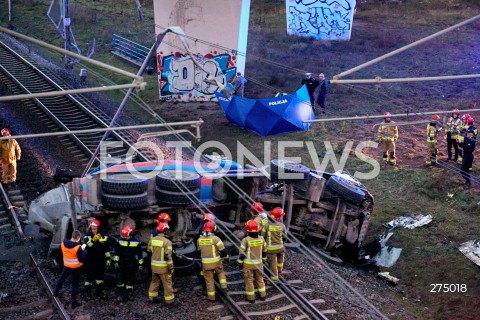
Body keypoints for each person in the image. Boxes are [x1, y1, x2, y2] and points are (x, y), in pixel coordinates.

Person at [53, 230, 86, 310]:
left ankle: (55, 292)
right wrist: (83, 250)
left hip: (66, 267)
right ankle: (73, 303)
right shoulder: (78, 248)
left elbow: (61, 253)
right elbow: (82, 259)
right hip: (76, 268)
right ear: (78, 237)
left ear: (72, 236)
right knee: (74, 285)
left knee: (61, 279)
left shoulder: (63, 244)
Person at [197, 221, 228, 302]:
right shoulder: (216, 239)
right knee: (220, 273)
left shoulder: (199, 239)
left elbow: (199, 250)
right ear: (213, 229)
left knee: (209, 280)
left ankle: (211, 298)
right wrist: (225, 256)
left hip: (206, 264)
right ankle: (224, 287)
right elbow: (223, 251)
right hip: (216, 262)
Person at [238, 220, 267, 303]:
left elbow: (242, 254)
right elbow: (264, 251)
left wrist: (239, 263)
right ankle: (263, 295)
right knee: (260, 279)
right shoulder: (261, 238)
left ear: (248, 230)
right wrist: (264, 260)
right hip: (259, 264)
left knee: (249, 281)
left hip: (248, 265)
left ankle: (251, 298)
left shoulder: (245, 240)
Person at [147, 222, 176, 308]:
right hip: (163, 268)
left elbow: (149, 251)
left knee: (154, 282)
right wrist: (172, 268)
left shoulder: (152, 240)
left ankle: (152, 297)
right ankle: (169, 302)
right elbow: (168, 258)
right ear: (165, 231)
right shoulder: (167, 242)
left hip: (154, 266)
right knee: (167, 284)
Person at [113, 226, 144, 302]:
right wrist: (116, 262)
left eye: (127, 236)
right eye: (124, 236)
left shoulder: (136, 241)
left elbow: (139, 253)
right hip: (121, 261)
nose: (125, 237)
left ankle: (129, 292)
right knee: (120, 278)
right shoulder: (119, 240)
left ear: (131, 234)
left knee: (130, 278)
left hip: (131, 262)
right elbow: (116, 252)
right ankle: (121, 293)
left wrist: (140, 264)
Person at [82, 219, 110, 301]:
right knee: (89, 277)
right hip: (90, 259)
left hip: (100, 260)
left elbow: (107, 248)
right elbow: (85, 247)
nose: (94, 230)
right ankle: (88, 293)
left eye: (95, 229)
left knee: (99, 277)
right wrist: (93, 240)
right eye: (92, 229)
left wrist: (108, 258)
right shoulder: (87, 236)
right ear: (90, 228)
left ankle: (99, 292)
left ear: (98, 228)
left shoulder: (104, 236)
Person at [261, 207, 286, 282]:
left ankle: (274, 279)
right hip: (280, 247)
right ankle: (279, 270)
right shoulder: (282, 226)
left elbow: (262, 237)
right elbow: (285, 237)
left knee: (272, 264)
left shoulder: (266, 225)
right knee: (280, 258)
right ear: (279, 217)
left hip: (271, 250)